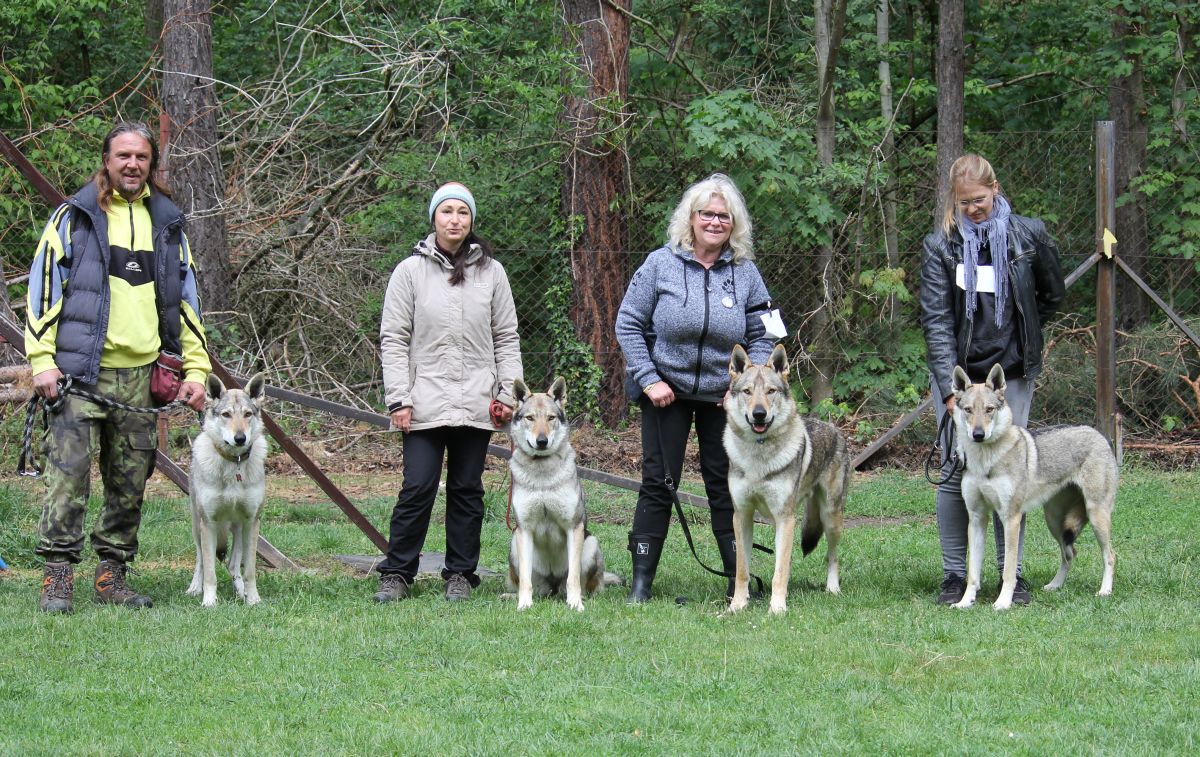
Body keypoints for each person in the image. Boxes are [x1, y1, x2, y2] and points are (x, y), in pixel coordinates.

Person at [26, 121, 211, 614]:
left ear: (152, 165)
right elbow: (43, 289)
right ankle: (58, 577)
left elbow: (187, 302)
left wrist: (195, 371)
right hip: (78, 376)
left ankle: (113, 575)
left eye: (142, 158)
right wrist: (41, 361)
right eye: (123, 156)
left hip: (141, 378)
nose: (133, 165)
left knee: (129, 484)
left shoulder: (168, 224)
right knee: (68, 478)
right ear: (106, 160)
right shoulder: (75, 216)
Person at [615, 173, 776, 603]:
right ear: (691, 218)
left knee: (725, 483)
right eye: (707, 213)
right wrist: (649, 379)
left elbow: (765, 332)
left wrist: (742, 385)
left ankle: (736, 581)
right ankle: (641, 584)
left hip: (723, 399)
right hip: (665, 390)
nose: (715, 222)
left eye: (724, 216)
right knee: (658, 482)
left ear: (734, 223)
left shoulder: (746, 273)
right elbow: (628, 323)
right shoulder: (659, 264)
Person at [919, 153, 1065, 606]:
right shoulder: (940, 245)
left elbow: (1053, 294)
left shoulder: (1029, 234)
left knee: (1011, 473)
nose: (972, 209)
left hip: (1011, 375)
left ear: (995, 189)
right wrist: (949, 389)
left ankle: (1011, 578)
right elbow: (936, 320)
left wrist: (1022, 337)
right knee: (952, 471)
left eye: (979, 200)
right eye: (963, 202)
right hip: (961, 377)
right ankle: (954, 576)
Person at [374, 182, 521, 603]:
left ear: (472, 220)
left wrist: (507, 395)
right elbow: (394, 338)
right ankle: (397, 573)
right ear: (434, 218)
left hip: (478, 401)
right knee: (417, 487)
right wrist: (399, 398)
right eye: (447, 212)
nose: (455, 219)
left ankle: (460, 574)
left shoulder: (492, 273)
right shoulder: (409, 272)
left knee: (467, 490)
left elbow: (507, 337)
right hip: (423, 401)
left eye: (462, 212)